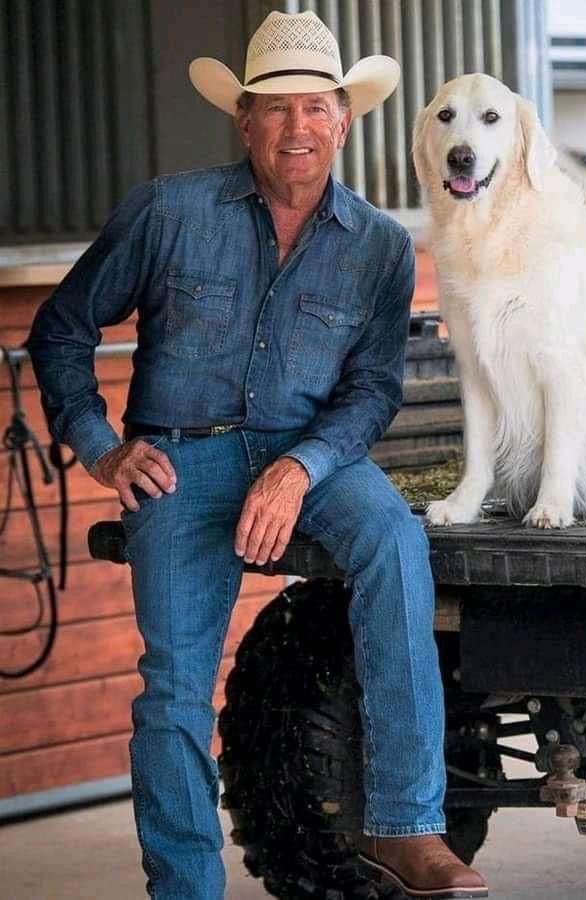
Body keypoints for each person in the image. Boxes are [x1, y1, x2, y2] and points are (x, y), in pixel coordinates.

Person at [27, 10, 488, 900]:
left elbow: (370, 394)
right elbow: (62, 331)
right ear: (244, 119)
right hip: (180, 461)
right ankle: (187, 886)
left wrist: (302, 467)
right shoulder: (168, 210)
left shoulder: (383, 249)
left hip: (314, 459)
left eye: (316, 107)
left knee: (395, 543)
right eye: (275, 109)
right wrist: (100, 450)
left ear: (345, 118)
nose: (297, 128)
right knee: (172, 691)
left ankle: (406, 827)